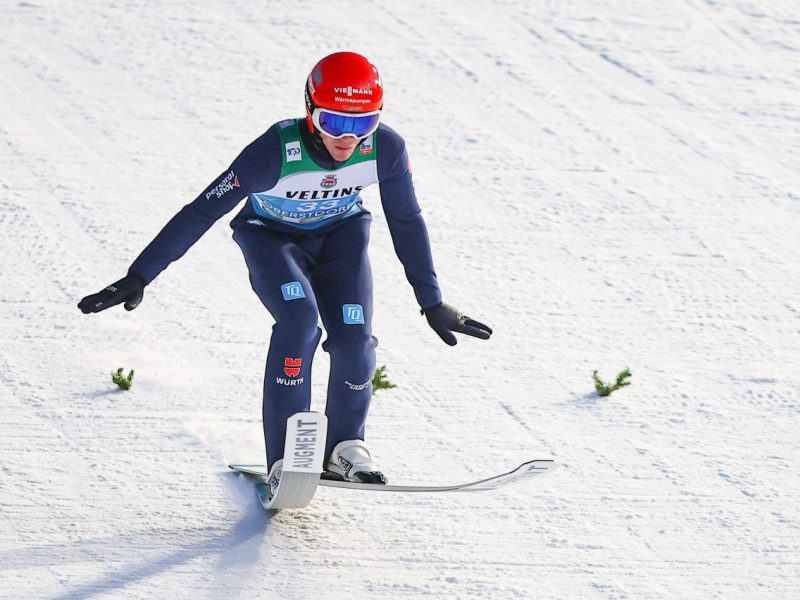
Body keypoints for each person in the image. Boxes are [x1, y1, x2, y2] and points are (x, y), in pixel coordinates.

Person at [78, 51, 492, 486]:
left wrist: (431, 301)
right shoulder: (272, 153)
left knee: (355, 342)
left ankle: (344, 448)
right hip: (271, 239)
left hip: (341, 238)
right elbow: (202, 210)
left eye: (362, 123)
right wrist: (140, 274)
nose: (347, 139)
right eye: (335, 122)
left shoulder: (386, 149)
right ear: (310, 111)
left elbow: (406, 219)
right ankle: (287, 457)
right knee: (298, 323)